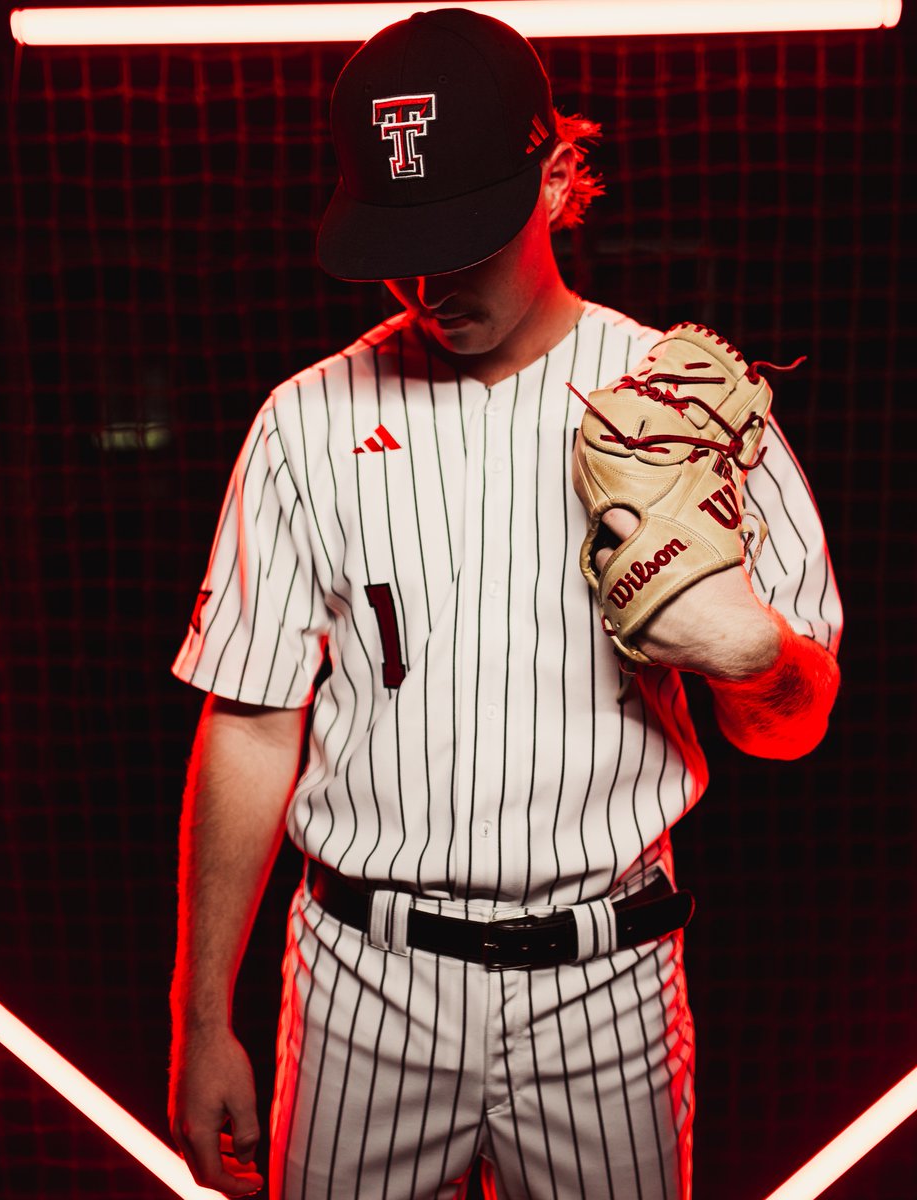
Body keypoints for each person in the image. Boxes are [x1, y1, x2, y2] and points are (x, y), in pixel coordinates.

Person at [167, 9, 842, 1199]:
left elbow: (793, 724)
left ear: (558, 176)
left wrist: (754, 657)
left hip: (608, 985)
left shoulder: (686, 409)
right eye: (402, 241)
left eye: (463, 235)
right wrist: (200, 1015)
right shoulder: (304, 422)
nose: (430, 281)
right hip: (364, 983)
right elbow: (254, 722)